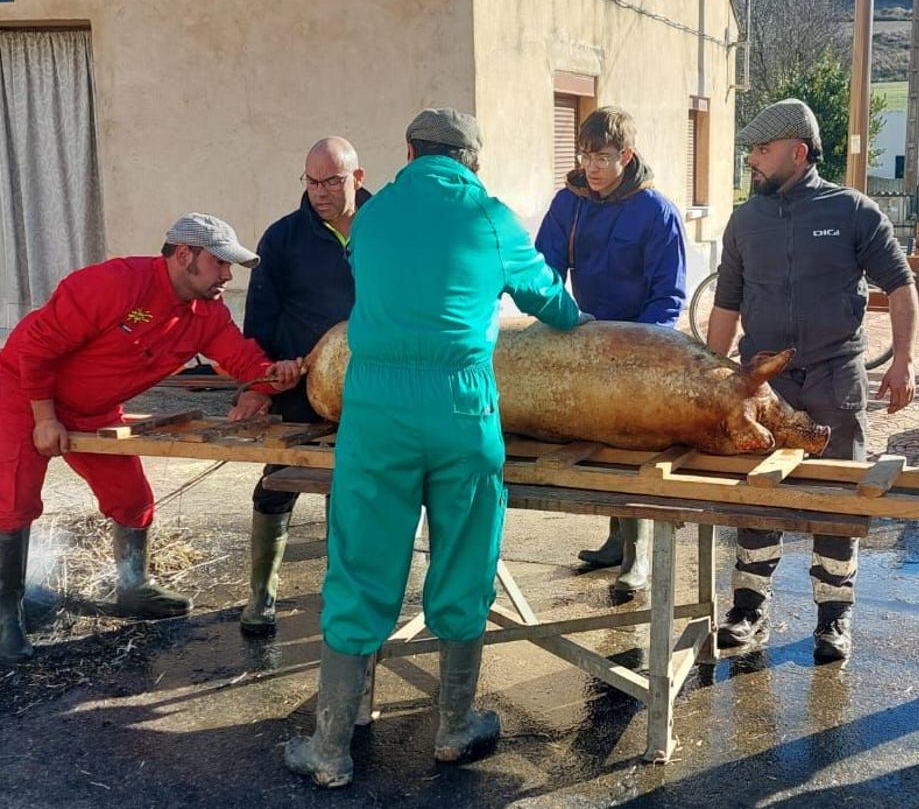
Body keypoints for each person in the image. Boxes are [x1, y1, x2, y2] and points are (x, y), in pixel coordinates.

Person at [284, 108, 588, 788]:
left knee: (361, 565)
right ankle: (454, 727)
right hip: (461, 409)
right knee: (464, 557)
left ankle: (329, 746)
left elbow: (370, 276)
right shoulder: (489, 212)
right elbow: (548, 300)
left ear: (411, 151)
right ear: (469, 160)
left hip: (377, 413)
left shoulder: (374, 214)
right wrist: (582, 323)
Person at [0, 214, 302, 663]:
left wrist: (271, 378)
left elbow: (243, 360)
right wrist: (44, 417)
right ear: (185, 255)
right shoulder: (115, 284)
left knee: (132, 498)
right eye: (219, 263)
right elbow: (35, 348)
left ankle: (132, 586)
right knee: (14, 502)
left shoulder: (207, 314)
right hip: (22, 395)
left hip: (95, 408)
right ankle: (6, 617)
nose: (227, 276)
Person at [705, 99, 919, 660]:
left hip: (833, 378)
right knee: (757, 493)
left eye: (763, 150)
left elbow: (900, 286)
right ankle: (748, 609)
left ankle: (833, 619)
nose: (752, 159)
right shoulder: (745, 220)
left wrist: (904, 360)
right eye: (750, 150)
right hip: (764, 385)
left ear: (798, 153)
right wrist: (712, 377)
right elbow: (726, 303)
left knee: (837, 497)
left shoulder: (853, 210)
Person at [535, 106, 687, 592]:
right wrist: (560, 317)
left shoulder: (656, 212)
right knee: (598, 441)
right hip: (586, 335)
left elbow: (670, 293)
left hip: (641, 343)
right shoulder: (569, 204)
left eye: (602, 157)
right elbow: (544, 271)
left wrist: (640, 345)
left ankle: (637, 553)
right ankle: (614, 539)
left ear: (627, 155)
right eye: (585, 156)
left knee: (632, 444)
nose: (592, 167)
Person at [232, 137, 368, 637]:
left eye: (331, 181)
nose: (319, 192)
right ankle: (261, 593)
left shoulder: (386, 230)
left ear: (357, 177)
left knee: (349, 489)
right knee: (276, 482)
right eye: (311, 182)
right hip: (297, 387)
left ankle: (341, 597)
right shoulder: (283, 238)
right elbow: (260, 319)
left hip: (369, 391)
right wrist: (260, 382)